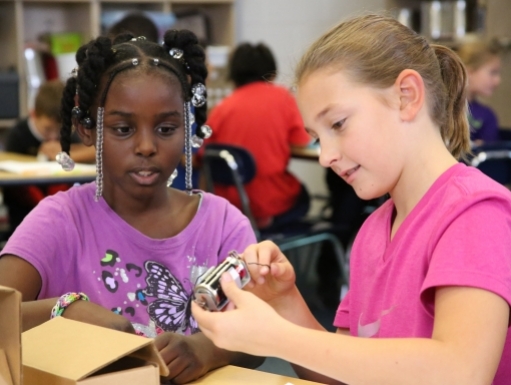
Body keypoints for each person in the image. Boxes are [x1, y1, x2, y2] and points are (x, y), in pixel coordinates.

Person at [192, 14, 511, 385]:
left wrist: (276, 336)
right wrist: (285, 302)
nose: (326, 156)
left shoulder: (474, 212)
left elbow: (461, 371)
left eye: (339, 124)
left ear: (406, 96)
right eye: (317, 137)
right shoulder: (373, 232)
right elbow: (346, 372)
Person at [0, 30, 263, 383]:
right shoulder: (61, 221)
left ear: (187, 128)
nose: (146, 146)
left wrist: (207, 351)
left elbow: (263, 335)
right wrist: (63, 309)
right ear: (87, 129)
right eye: (123, 129)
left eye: (166, 128)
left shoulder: (223, 224)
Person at [205, 42, 311, 230]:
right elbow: (303, 141)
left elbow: (201, 157)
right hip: (270, 202)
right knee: (303, 195)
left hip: (229, 206)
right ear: (272, 74)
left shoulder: (221, 109)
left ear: (234, 76)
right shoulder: (282, 98)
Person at [4, 80, 95, 235]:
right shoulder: (18, 135)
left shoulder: (69, 136)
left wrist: (65, 151)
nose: (53, 136)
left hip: (64, 215)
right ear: (34, 114)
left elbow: (92, 151)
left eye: (59, 131)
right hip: (24, 216)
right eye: (47, 129)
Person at [457, 39, 502, 145]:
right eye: (493, 72)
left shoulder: (487, 115)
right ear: (469, 72)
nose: (497, 81)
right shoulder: (441, 109)